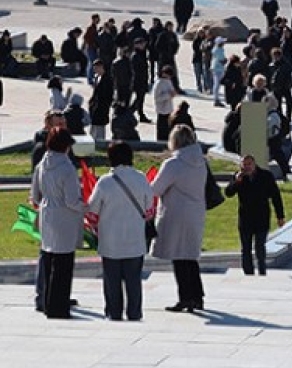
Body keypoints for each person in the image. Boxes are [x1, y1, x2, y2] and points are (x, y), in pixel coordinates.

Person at [88, 141, 152, 321]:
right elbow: (149, 210)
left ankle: (113, 313)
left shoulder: (105, 182)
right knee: (134, 282)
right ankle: (134, 313)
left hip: (110, 241)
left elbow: (92, 211)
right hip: (135, 240)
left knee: (112, 283)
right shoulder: (141, 178)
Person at [153, 125, 208, 313]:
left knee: (179, 257)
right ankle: (197, 296)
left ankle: (185, 297)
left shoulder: (173, 164)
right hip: (195, 212)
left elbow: (156, 189)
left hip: (176, 213)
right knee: (190, 257)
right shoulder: (200, 162)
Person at [32, 130, 85, 320]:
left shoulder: (42, 165)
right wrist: (84, 206)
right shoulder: (67, 168)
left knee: (48, 259)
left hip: (47, 212)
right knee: (63, 265)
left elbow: (35, 195)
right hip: (64, 217)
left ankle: (47, 302)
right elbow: (71, 200)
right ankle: (59, 306)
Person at [224, 154, 284, 277]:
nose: (247, 167)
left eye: (249, 164)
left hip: (261, 216)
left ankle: (262, 271)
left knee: (260, 246)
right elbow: (228, 193)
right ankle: (248, 273)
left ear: (254, 164)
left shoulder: (266, 176)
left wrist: (280, 216)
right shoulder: (238, 177)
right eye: (244, 165)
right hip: (245, 218)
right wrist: (236, 182)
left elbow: (276, 196)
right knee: (245, 248)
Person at [153, 66, 177, 143]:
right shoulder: (159, 83)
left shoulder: (168, 81)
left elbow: (172, 90)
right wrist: (168, 95)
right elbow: (157, 98)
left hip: (168, 109)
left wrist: (173, 94)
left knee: (168, 128)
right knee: (161, 128)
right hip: (161, 110)